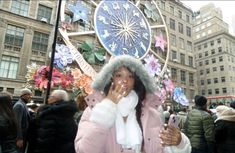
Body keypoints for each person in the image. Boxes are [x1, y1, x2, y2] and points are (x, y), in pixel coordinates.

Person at [74, 55, 191, 153]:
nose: (125, 80)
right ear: (111, 79)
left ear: (135, 81)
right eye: (119, 75)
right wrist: (106, 111)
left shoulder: (152, 114)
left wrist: (178, 142)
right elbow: (83, 150)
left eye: (130, 76)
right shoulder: (94, 111)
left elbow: (161, 148)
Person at [13, 88, 32, 153]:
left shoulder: (23, 104)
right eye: (29, 95)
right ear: (23, 95)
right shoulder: (19, 105)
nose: (30, 97)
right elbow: (17, 123)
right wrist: (19, 138)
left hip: (24, 136)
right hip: (21, 137)